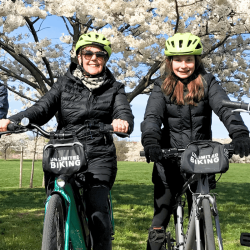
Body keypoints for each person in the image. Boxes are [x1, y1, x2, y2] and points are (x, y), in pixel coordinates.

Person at [0, 32, 134, 250]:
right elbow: (41, 109)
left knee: (98, 212)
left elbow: (123, 111)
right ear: (79, 57)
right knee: (55, 197)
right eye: (87, 53)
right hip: (65, 150)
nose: (93, 58)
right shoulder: (63, 83)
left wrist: (121, 122)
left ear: (106, 59)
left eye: (100, 54)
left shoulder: (115, 87)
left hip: (98, 154)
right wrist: (11, 121)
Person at [141, 32, 250, 250]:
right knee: (161, 217)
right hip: (169, 159)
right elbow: (152, 117)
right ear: (170, 61)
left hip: (202, 159)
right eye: (178, 60)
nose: (183, 65)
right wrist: (151, 141)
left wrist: (239, 133)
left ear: (196, 61)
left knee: (201, 219)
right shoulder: (160, 86)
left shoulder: (208, 82)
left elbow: (225, 108)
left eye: (188, 59)